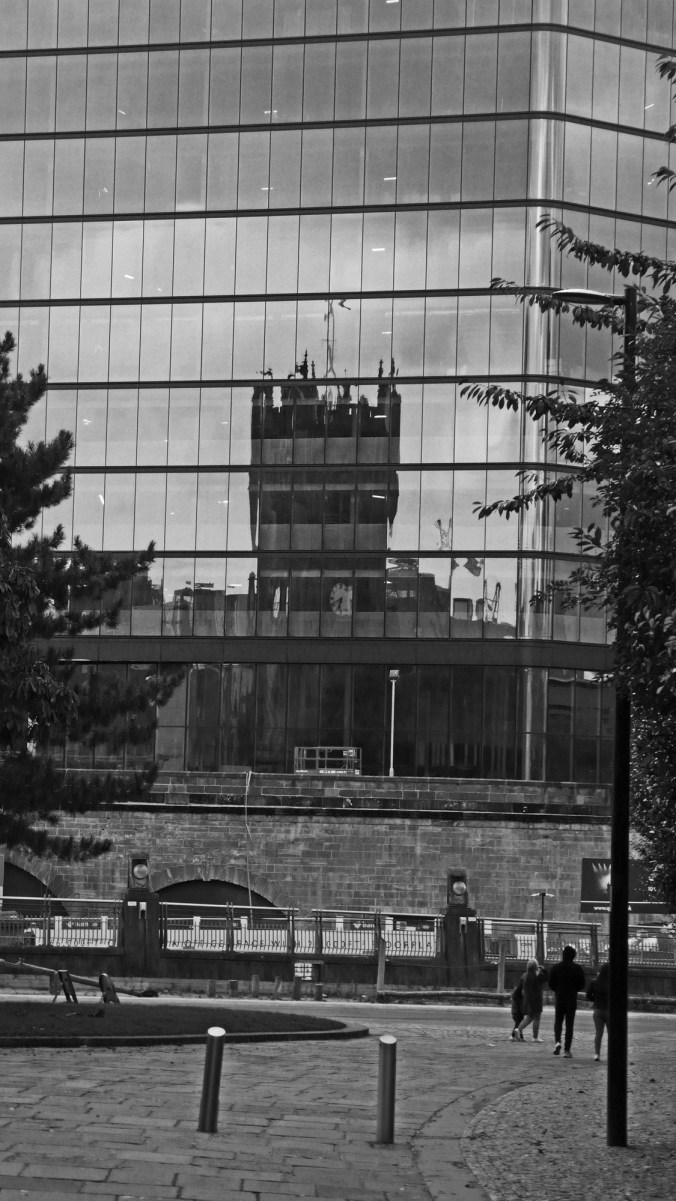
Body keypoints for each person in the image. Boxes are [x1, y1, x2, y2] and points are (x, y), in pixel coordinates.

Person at [548, 944, 586, 1057]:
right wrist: (574, 989)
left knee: (558, 1022)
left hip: (559, 997)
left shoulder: (555, 968)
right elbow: (582, 985)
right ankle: (567, 1050)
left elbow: (551, 984)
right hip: (571, 998)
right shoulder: (578, 969)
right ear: (574, 956)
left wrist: (557, 990)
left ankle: (557, 1042)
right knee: (570, 1024)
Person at [517, 958, 549, 1041]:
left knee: (529, 1017)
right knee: (537, 1018)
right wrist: (543, 970)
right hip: (536, 999)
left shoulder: (524, 975)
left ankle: (518, 1029)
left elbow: (520, 987)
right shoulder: (538, 975)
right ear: (536, 966)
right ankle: (535, 1037)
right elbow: (547, 978)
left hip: (527, 1000)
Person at [586, 962, 609, 1061]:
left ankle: (597, 1054)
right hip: (609, 1010)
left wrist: (594, 1000)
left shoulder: (594, 982)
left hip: (598, 1009)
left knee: (598, 1033)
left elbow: (588, 995)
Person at [509, 975, 525, 1040]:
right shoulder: (519, 994)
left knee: (518, 1023)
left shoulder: (516, 994)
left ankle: (520, 1036)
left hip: (515, 1012)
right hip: (518, 1012)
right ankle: (513, 1035)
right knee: (518, 1024)